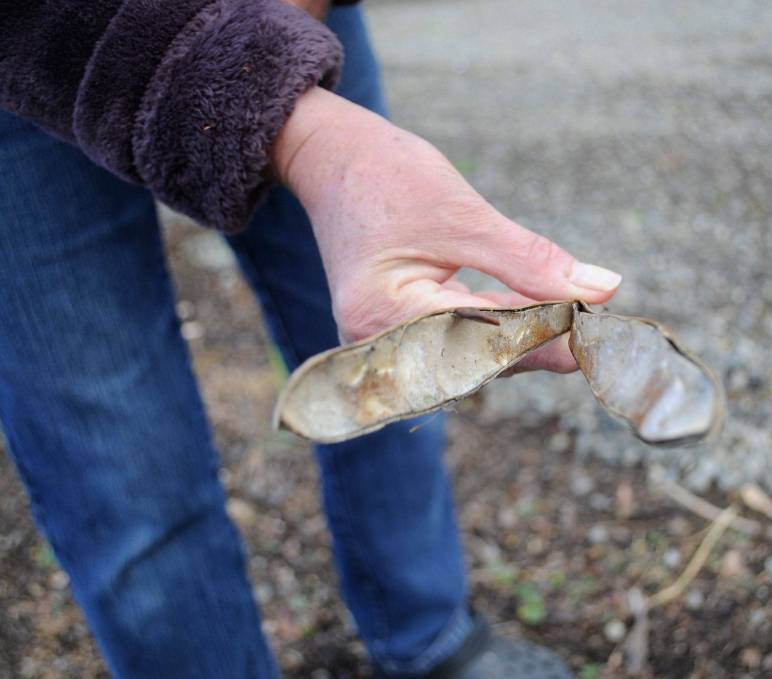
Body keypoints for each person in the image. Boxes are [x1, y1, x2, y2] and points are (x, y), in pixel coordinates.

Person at [0, 1, 621, 678]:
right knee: (119, 461)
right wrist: (291, 118)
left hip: (292, 15)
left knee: (404, 348)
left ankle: (428, 635)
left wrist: (278, 43)